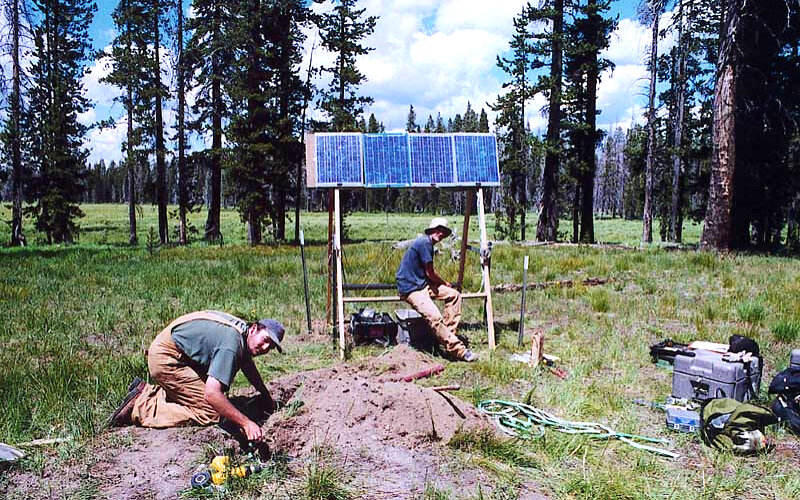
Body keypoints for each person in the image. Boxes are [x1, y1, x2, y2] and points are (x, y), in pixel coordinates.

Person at [109, 310, 284, 442]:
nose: (265, 348)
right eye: (266, 340)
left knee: (216, 399)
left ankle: (154, 393)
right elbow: (212, 394)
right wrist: (246, 423)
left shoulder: (242, 333)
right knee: (211, 411)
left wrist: (265, 394)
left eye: (270, 347)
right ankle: (141, 406)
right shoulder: (231, 345)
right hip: (167, 359)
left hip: (180, 353)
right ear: (254, 328)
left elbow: (247, 365)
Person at [396, 218, 478, 362]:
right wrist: (445, 283)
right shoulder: (424, 243)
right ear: (432, 230)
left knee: (454, 295)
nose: (441, 234)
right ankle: (459, 350)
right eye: (439, 230)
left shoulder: (428, 243)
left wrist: (444, 286)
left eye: (444, 232)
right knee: (435, 317)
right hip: (411, 288)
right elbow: (430, 273)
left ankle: (447, 337)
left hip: (422, 284)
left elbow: (428, 274)